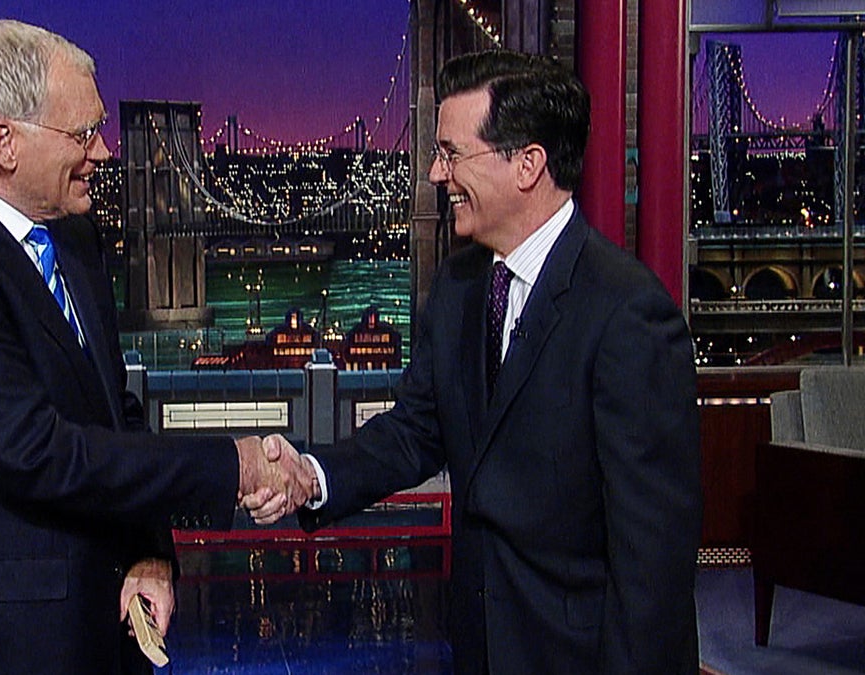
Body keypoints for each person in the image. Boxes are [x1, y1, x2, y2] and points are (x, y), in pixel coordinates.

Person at [246, 50, 701, 673]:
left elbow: (653, 559)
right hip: (478, 646)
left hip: (578, 655)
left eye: (452, 153)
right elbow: (414, 432)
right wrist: (310, 475)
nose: (436, 172)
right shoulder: (459, 289)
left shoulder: (627, 314)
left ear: (527, 164)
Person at [0, 20, 311, 675]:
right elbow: (36, 453)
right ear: (3, 140)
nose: (104, 151)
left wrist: (151, 550)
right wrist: (235, 466)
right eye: (82, 133)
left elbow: (114, 418)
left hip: (112, 635)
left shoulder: (76, 240)